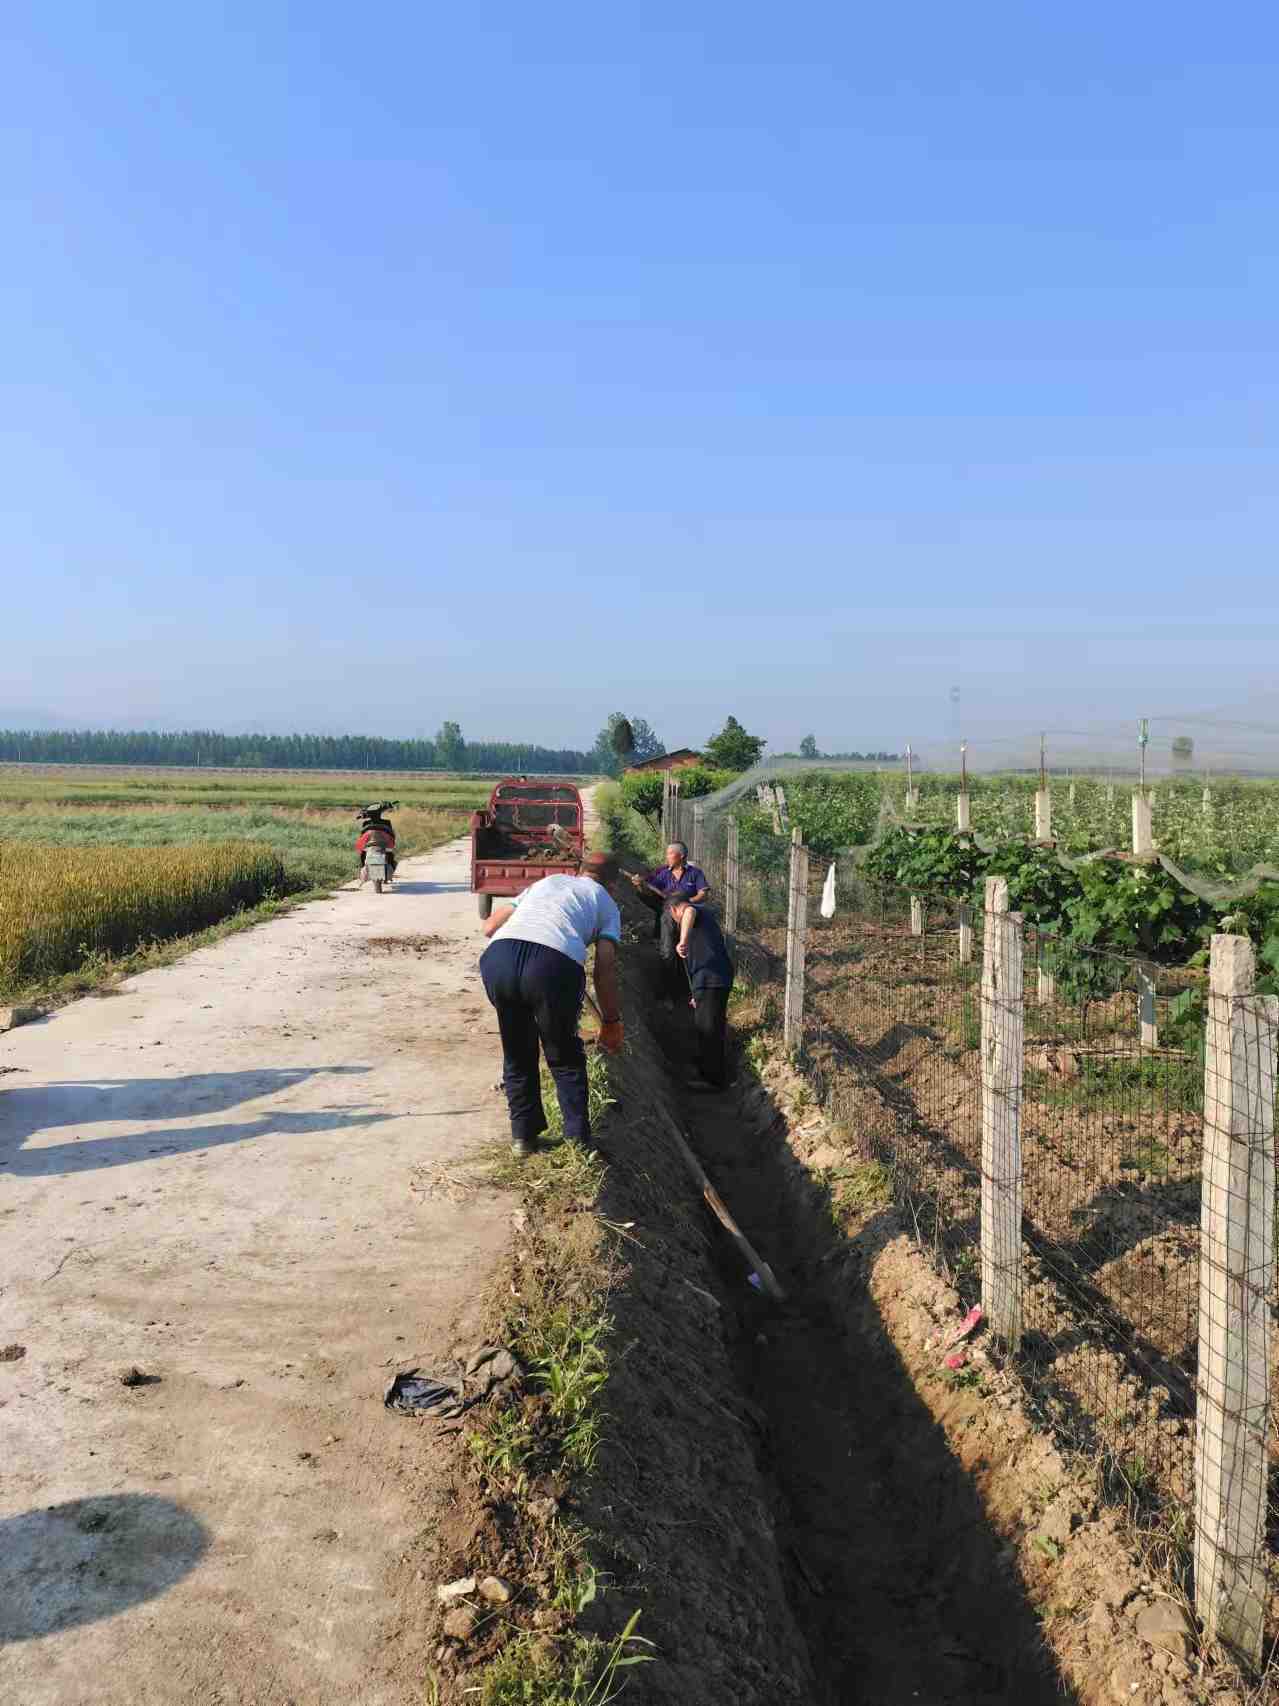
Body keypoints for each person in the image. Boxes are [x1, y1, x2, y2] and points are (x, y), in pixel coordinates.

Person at [479, 852, 624, 1157]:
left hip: (499, 958)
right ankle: (577, 1141)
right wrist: (611, 1021)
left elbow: (489, 927)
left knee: (517, 1050)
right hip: (551, 965)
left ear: (579, 871)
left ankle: (523, 1138)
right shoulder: (606, 902)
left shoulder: (548, 882)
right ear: (613, 884)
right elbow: (605, 967)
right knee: (563, 1053)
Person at [627, 841, 710, 1005]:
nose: (667, 856)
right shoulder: (662, 873)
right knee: (667, 953)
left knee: (694, 954)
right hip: (667, 918)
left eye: (670, 853)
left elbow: (703, 893)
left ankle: (696, 992)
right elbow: (647, 890)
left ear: (681, 856)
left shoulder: (695, 873)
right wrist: (639, 885)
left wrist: (687, 904)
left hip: (690, 918)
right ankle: (668, 995)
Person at [668, 894, 735, 1091]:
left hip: (712, 979)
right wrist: (695, 994)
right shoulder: (702, 921)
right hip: (707, 981)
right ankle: (706, 1070)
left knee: (709, 1029)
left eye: (674, 918)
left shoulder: (693, 911)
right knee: (706, 1026)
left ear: (674, 910)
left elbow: (689, 912)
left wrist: (682, 940)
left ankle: (713, 1081)